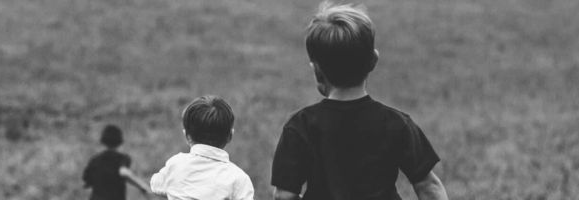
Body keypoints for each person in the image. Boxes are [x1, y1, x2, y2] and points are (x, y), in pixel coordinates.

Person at [271, 2, 449, 200]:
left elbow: (284, 196)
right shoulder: (397, 124)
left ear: (316, 70)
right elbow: (428, 186)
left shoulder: (300, 126)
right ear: (373, 60)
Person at [149, 95, 255, 200]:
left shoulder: (175, 165)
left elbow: (155, 184)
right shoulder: (239, 179)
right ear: (230, 136)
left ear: (187, 136)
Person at [82, 124, 153, 200]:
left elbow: (87, 179)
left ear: (103, 141)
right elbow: (124, 172)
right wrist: (143, 187)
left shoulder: (94, 161)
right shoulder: (121, 158)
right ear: (119, 141)